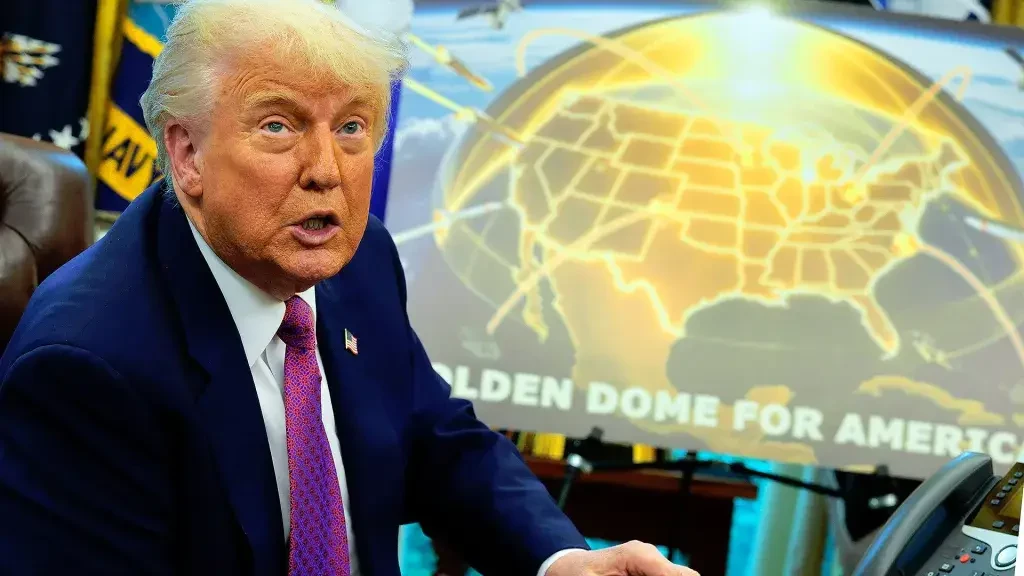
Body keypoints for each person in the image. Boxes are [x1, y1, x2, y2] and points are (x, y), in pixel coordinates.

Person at [0, 1, 699, 575]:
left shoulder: (359, 261)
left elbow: (434, 436)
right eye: (279, 125)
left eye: (352, 127)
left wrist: (561, 561)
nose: (327, 170)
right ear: (187, 153)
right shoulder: (87, 368)